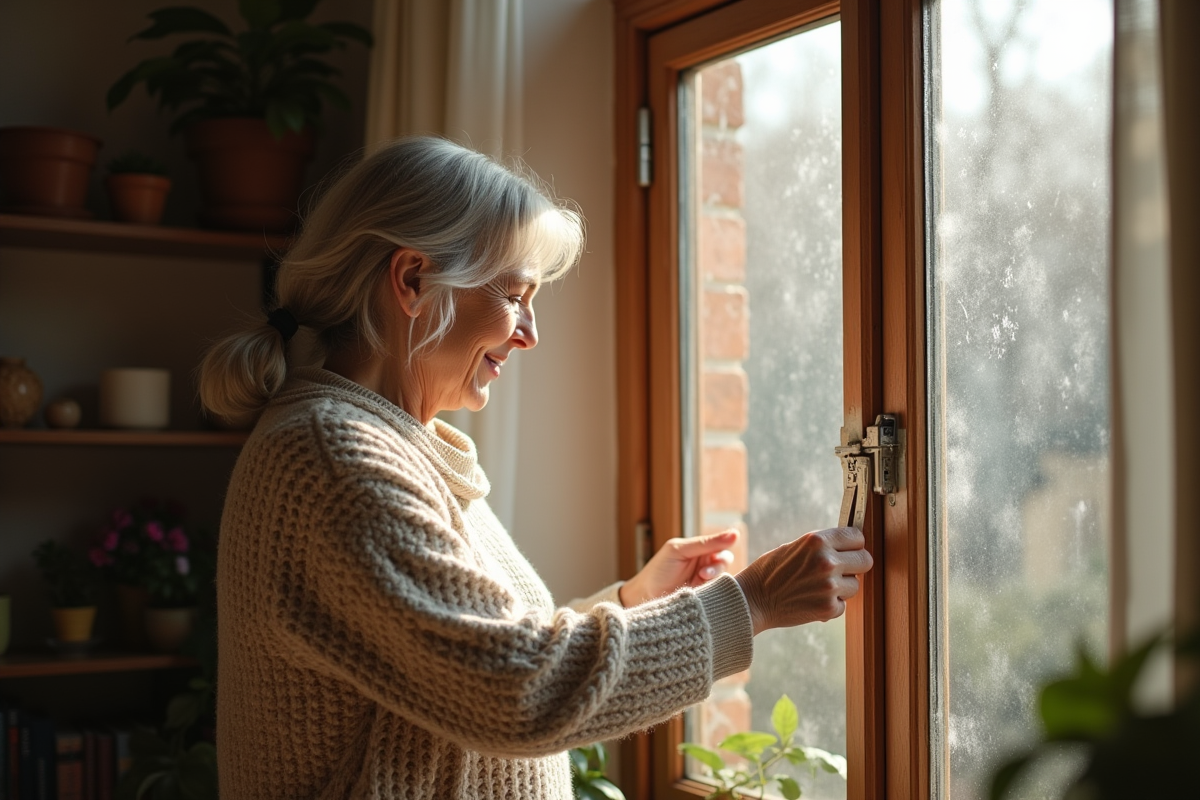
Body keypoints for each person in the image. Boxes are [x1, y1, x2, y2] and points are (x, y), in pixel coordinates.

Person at [199, 136, 873, 799]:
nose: (529, 332)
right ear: (412, 281)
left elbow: (470, 655)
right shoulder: (334, 461)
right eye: (517, 294)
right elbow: (519, 690)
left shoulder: (385, 444)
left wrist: (632, 604)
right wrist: (751, 604)